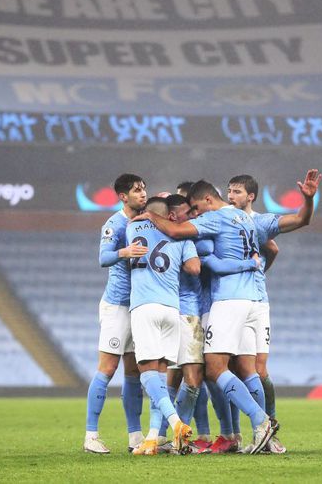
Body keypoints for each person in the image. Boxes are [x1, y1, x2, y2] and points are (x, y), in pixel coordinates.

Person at [132, 180, 277, 454]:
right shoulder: (200, 230)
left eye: (193, 208)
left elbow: (203, 264)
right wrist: (252, 264)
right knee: (185, 375)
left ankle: (215, 431)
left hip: (195, 309)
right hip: (185, 309)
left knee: (197, 375)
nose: (194, 215)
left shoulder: (191, 231)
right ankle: (168, 434)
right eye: (189, 210)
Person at [226, 169, 322, 453]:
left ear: (251, 196)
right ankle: (246, 431)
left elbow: (301, 220)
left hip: (258, 302)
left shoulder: (260, 222)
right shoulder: (222, 219)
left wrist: (308, 199)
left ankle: (269, 428)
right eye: (229, 191)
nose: (231, 196)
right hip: (231, 301)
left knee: (259, 369)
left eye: (237, 192)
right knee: (236, 368)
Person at [126, 196, 201, 456]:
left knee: (147, 373)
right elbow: (193, 267)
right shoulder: (182, 237)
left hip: (144, 306)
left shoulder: (131, 228)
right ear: (169, 216)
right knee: (160, 376)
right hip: (171, 308)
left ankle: (175, 423)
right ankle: (151, 438)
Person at [84, 173, 147, 454]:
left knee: (134, 372)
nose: (143, 194)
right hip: (117, 305)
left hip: (139, 304)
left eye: (144, 189)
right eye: (137, 190)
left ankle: (135, 436)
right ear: (123, 196)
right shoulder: (114, 223)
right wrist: (125, 251)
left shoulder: (145, 221)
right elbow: (102, 258)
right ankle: (91, 435)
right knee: (108, 368)